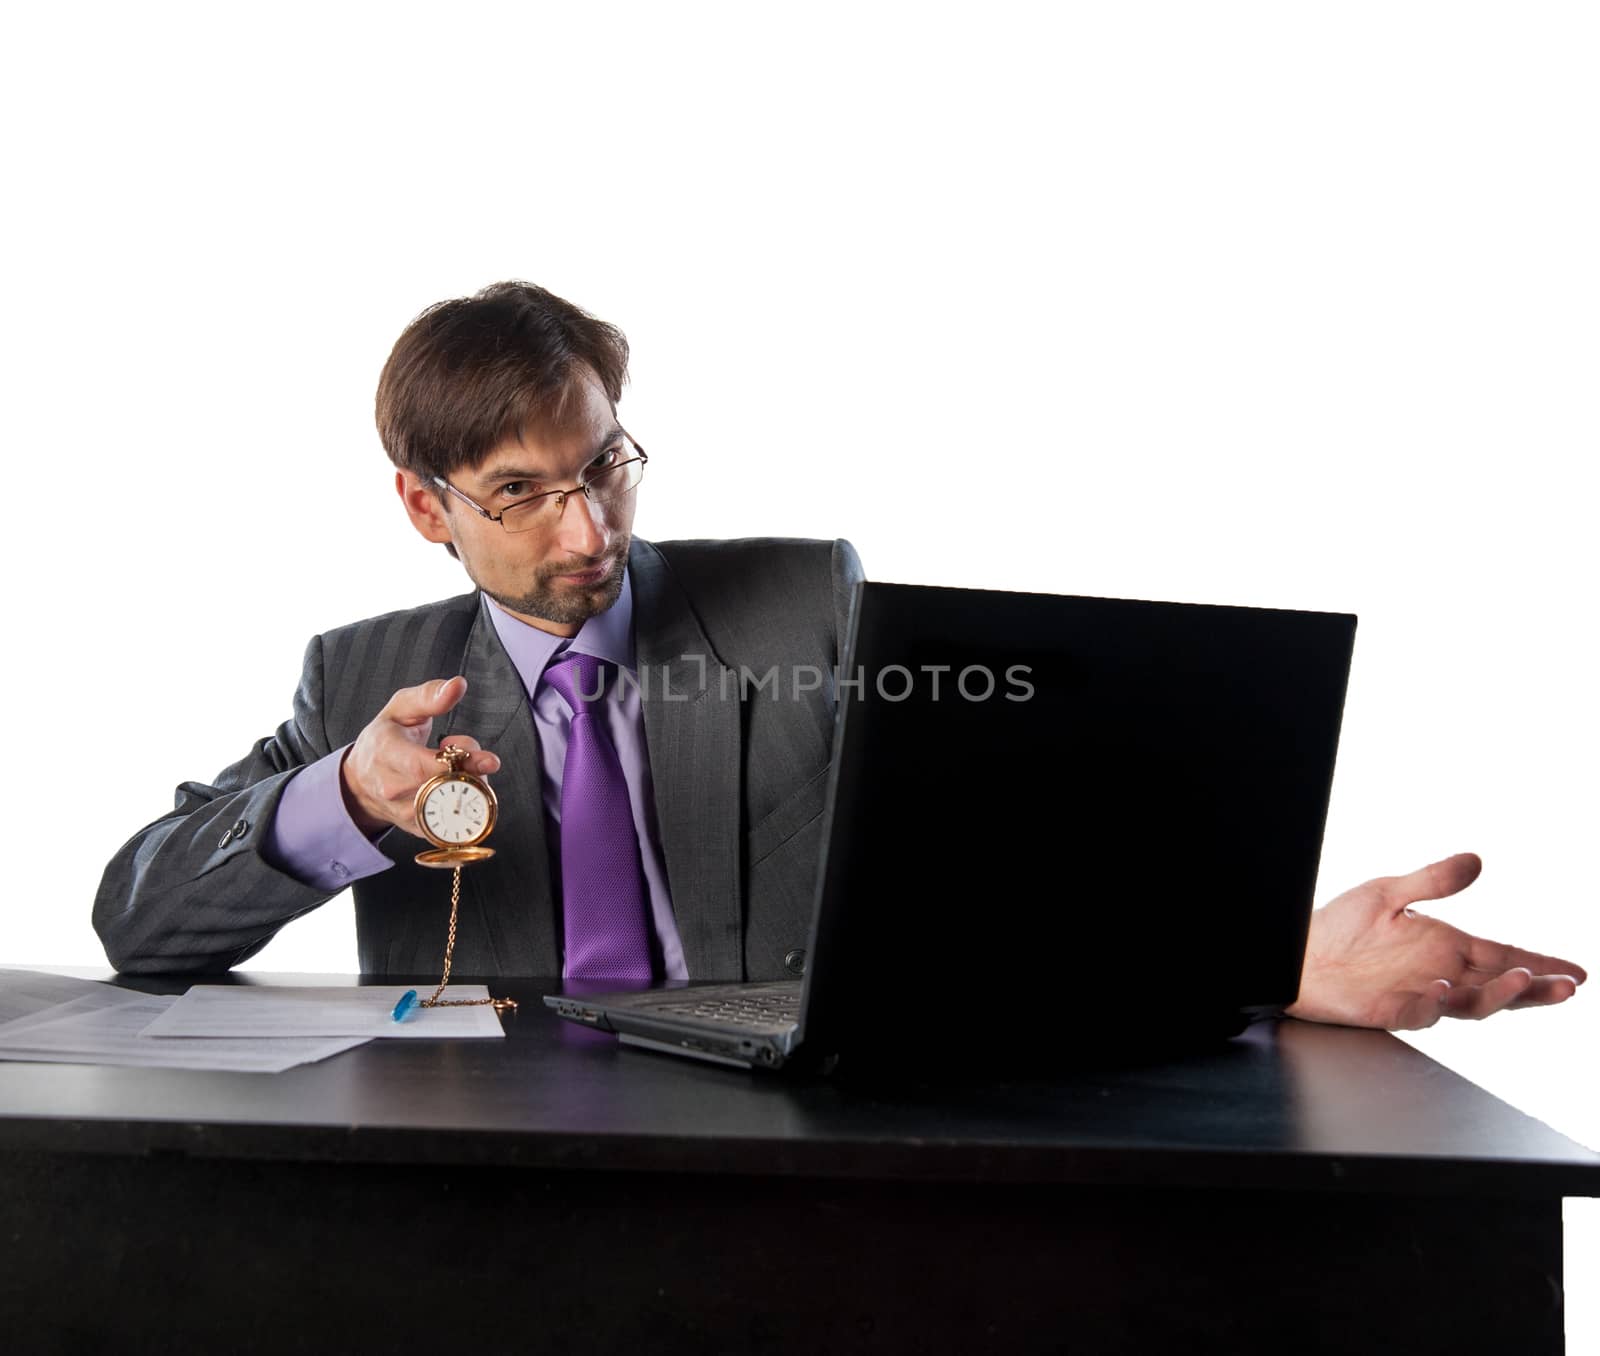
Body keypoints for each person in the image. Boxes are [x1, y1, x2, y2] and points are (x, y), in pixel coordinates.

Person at [93, 282, 1587, 1031]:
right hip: (497, 1166)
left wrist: (1275, 963)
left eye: (604, 465)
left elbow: (1006, 862)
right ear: (424, 504)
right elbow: (140, 929)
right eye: (521, 494)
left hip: (782, 1149)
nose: (588, 527)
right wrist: (343, 798)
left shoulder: (797, 606)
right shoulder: (364, 680)